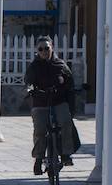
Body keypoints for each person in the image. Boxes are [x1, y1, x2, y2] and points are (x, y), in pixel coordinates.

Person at [26, 37, 78, 174]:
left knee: (66, 123)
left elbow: (70, 83)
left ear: (52, 48)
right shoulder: (34, 67)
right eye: (40, 49)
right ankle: (38, 159)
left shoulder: (60, 64)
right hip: (40, 102)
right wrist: (32, 90)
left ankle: (66, 154)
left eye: (46, 48)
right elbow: (28, 82)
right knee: (40, 130)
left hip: (58, 101)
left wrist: (64, 84)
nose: (44, 51)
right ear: (37, 51)